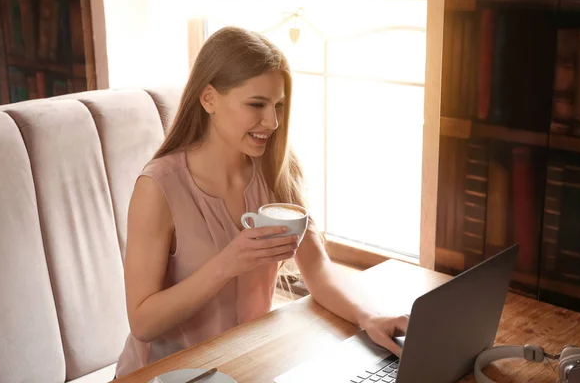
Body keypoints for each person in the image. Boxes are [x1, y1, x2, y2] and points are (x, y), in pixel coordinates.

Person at [115, 26, 408, 378]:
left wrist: (368, 317)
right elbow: (143, 322)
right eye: (256, 105)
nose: (272, 122)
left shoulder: (276, 167)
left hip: (245, 367)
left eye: (278, 106)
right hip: (168, 375)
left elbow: (317, 270)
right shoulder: (158, 187)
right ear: (209, 99)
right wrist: (227, 264)